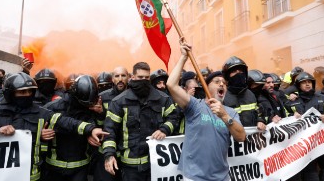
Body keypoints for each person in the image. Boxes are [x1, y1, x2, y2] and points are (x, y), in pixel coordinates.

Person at [0, 72, 108, 181]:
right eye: (22, 92)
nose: (27, 95)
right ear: (10, 93)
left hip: (31, 176)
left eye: (30, 91)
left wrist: (90, 129)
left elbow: (65, 121)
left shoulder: (41, 112)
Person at [166, 41, 246, 181]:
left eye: (224, 83)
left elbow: (241, 137)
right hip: (194, 177)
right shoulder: (195, 106)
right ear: (207, 88)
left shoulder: (230, 112)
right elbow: (171, 85)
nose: (222, 84)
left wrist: (224, 116)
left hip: (222, 177)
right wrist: (183, 57)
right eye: (216, 82)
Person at [103, 62, 178, 181]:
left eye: (146, 78)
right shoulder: (119, 102)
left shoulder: (162, 99)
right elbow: (109, 130)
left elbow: (173, 118)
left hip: (157, 162)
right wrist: (109, 154)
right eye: (140, 77)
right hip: (130, 167)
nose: (144, 80)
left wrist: (165, 129)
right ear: (132, 77)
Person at [284, 72, 324, 181]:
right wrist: (292, 116)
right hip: (305, 145)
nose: (307, 84)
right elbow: (284, 120)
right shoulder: (291, 103)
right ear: (298, 86)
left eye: (309, 82)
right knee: (310, 173)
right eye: (304, 82)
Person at [43, 75, 100, 181]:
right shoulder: (52, 107)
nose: (84, 106)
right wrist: (41, 134)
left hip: (80, 168)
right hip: (54, 168)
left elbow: (101, 129)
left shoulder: (91, 108)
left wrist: (100, 115)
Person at [91, 66, 129, 181]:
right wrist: (100, 114)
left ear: (129, 78)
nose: (120, 79)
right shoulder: (102, 97)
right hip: (106, 150)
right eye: (117, 76)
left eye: (123, 75)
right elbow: (97, 124)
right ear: (112, 79)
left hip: (127, 151)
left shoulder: (133, 96)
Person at [222, 56, 266, 131]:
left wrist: (260, 120)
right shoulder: (222, 96)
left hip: (251, 140)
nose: (238, 74)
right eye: (234, 71)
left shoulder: (250, 94)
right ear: (227, 76)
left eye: (241, 71)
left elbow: (258, 111)